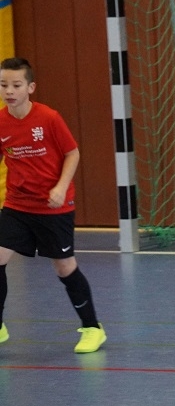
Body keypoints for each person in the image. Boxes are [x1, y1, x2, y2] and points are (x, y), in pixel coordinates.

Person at [0, 57, 106, 353]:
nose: (9, 91)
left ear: (30, 87)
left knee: (64, 267)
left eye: (16, 85)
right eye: (3, 85)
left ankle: (93, 328)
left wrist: (60, 187)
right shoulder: (1, 121)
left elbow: (72, 153)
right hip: (17, 205)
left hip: (53, 207)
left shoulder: (48, 118)